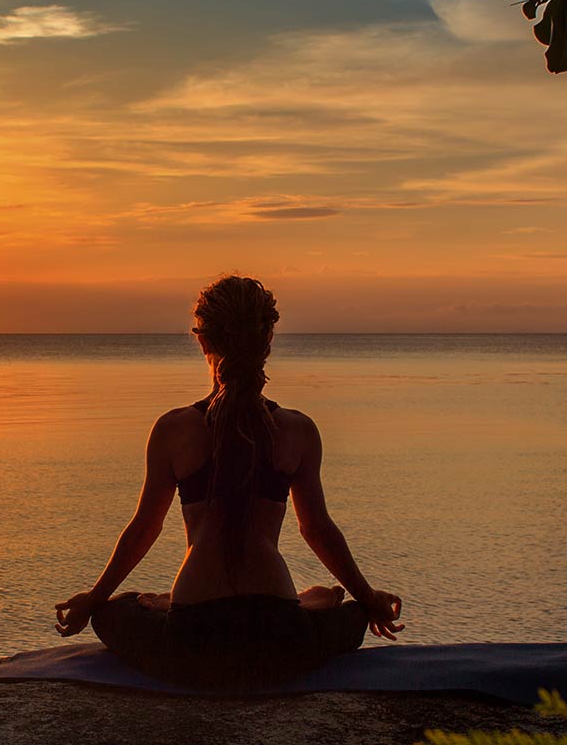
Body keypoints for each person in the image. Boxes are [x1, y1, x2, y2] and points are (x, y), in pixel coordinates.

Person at [54, 275, 403, 690]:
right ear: (268, 338)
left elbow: (145, 528)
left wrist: (93, 599)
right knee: (354, 615)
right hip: (280, 635)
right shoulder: (298, 430)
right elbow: (317, 530)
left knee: (115, 611)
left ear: (202, 340)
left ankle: (171, 604)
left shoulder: (174, 429)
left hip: (192, 637)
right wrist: (368, 599)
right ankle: (311, 604)